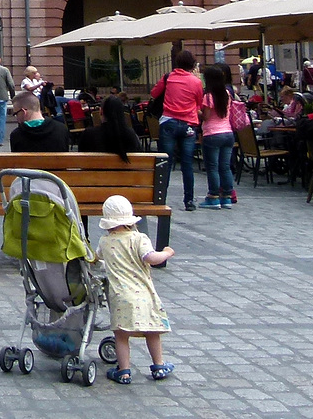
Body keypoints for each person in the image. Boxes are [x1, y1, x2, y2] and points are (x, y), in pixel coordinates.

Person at [95, 195, 175, 384]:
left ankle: (124, 371)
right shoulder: (139, 238)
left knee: (121, 335)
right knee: (152, 331)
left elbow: (96, 257)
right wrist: (167, 253)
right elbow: (151, 258)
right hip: (144, 295)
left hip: (120, 296)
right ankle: (159, 365)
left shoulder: (105, 242)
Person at [151, 50, 204, 211]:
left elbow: (154, 93)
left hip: (169, 122)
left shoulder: (168, 78)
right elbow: (199, 103)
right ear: (192, 65)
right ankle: (189, 200)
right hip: (188, 124)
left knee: (165, 161)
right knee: (187, 164)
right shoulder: (196, 82)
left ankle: (160, 198)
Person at [198, 65, 235, 210]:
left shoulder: (208, 96)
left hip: (212, 134)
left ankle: (213, 197)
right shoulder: (227, 93)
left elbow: (206, 117)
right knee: (225, 166)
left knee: (212, 167)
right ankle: (227, 196)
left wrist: (197, 112)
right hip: (228, 133)